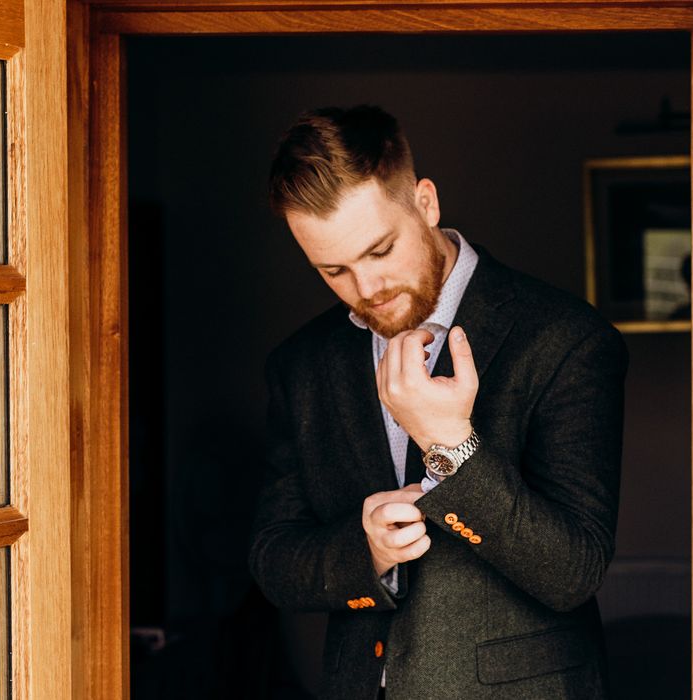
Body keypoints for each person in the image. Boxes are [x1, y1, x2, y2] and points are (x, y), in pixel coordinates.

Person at [249, 105, 628, 700]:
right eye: (333, 270)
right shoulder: (300, 366)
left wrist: (453, 449)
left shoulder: (565, 337)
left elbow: (574, 570)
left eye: (380, 251)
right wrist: (365, 551)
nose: (366, 289)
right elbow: (274, 559)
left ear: (425, 203)